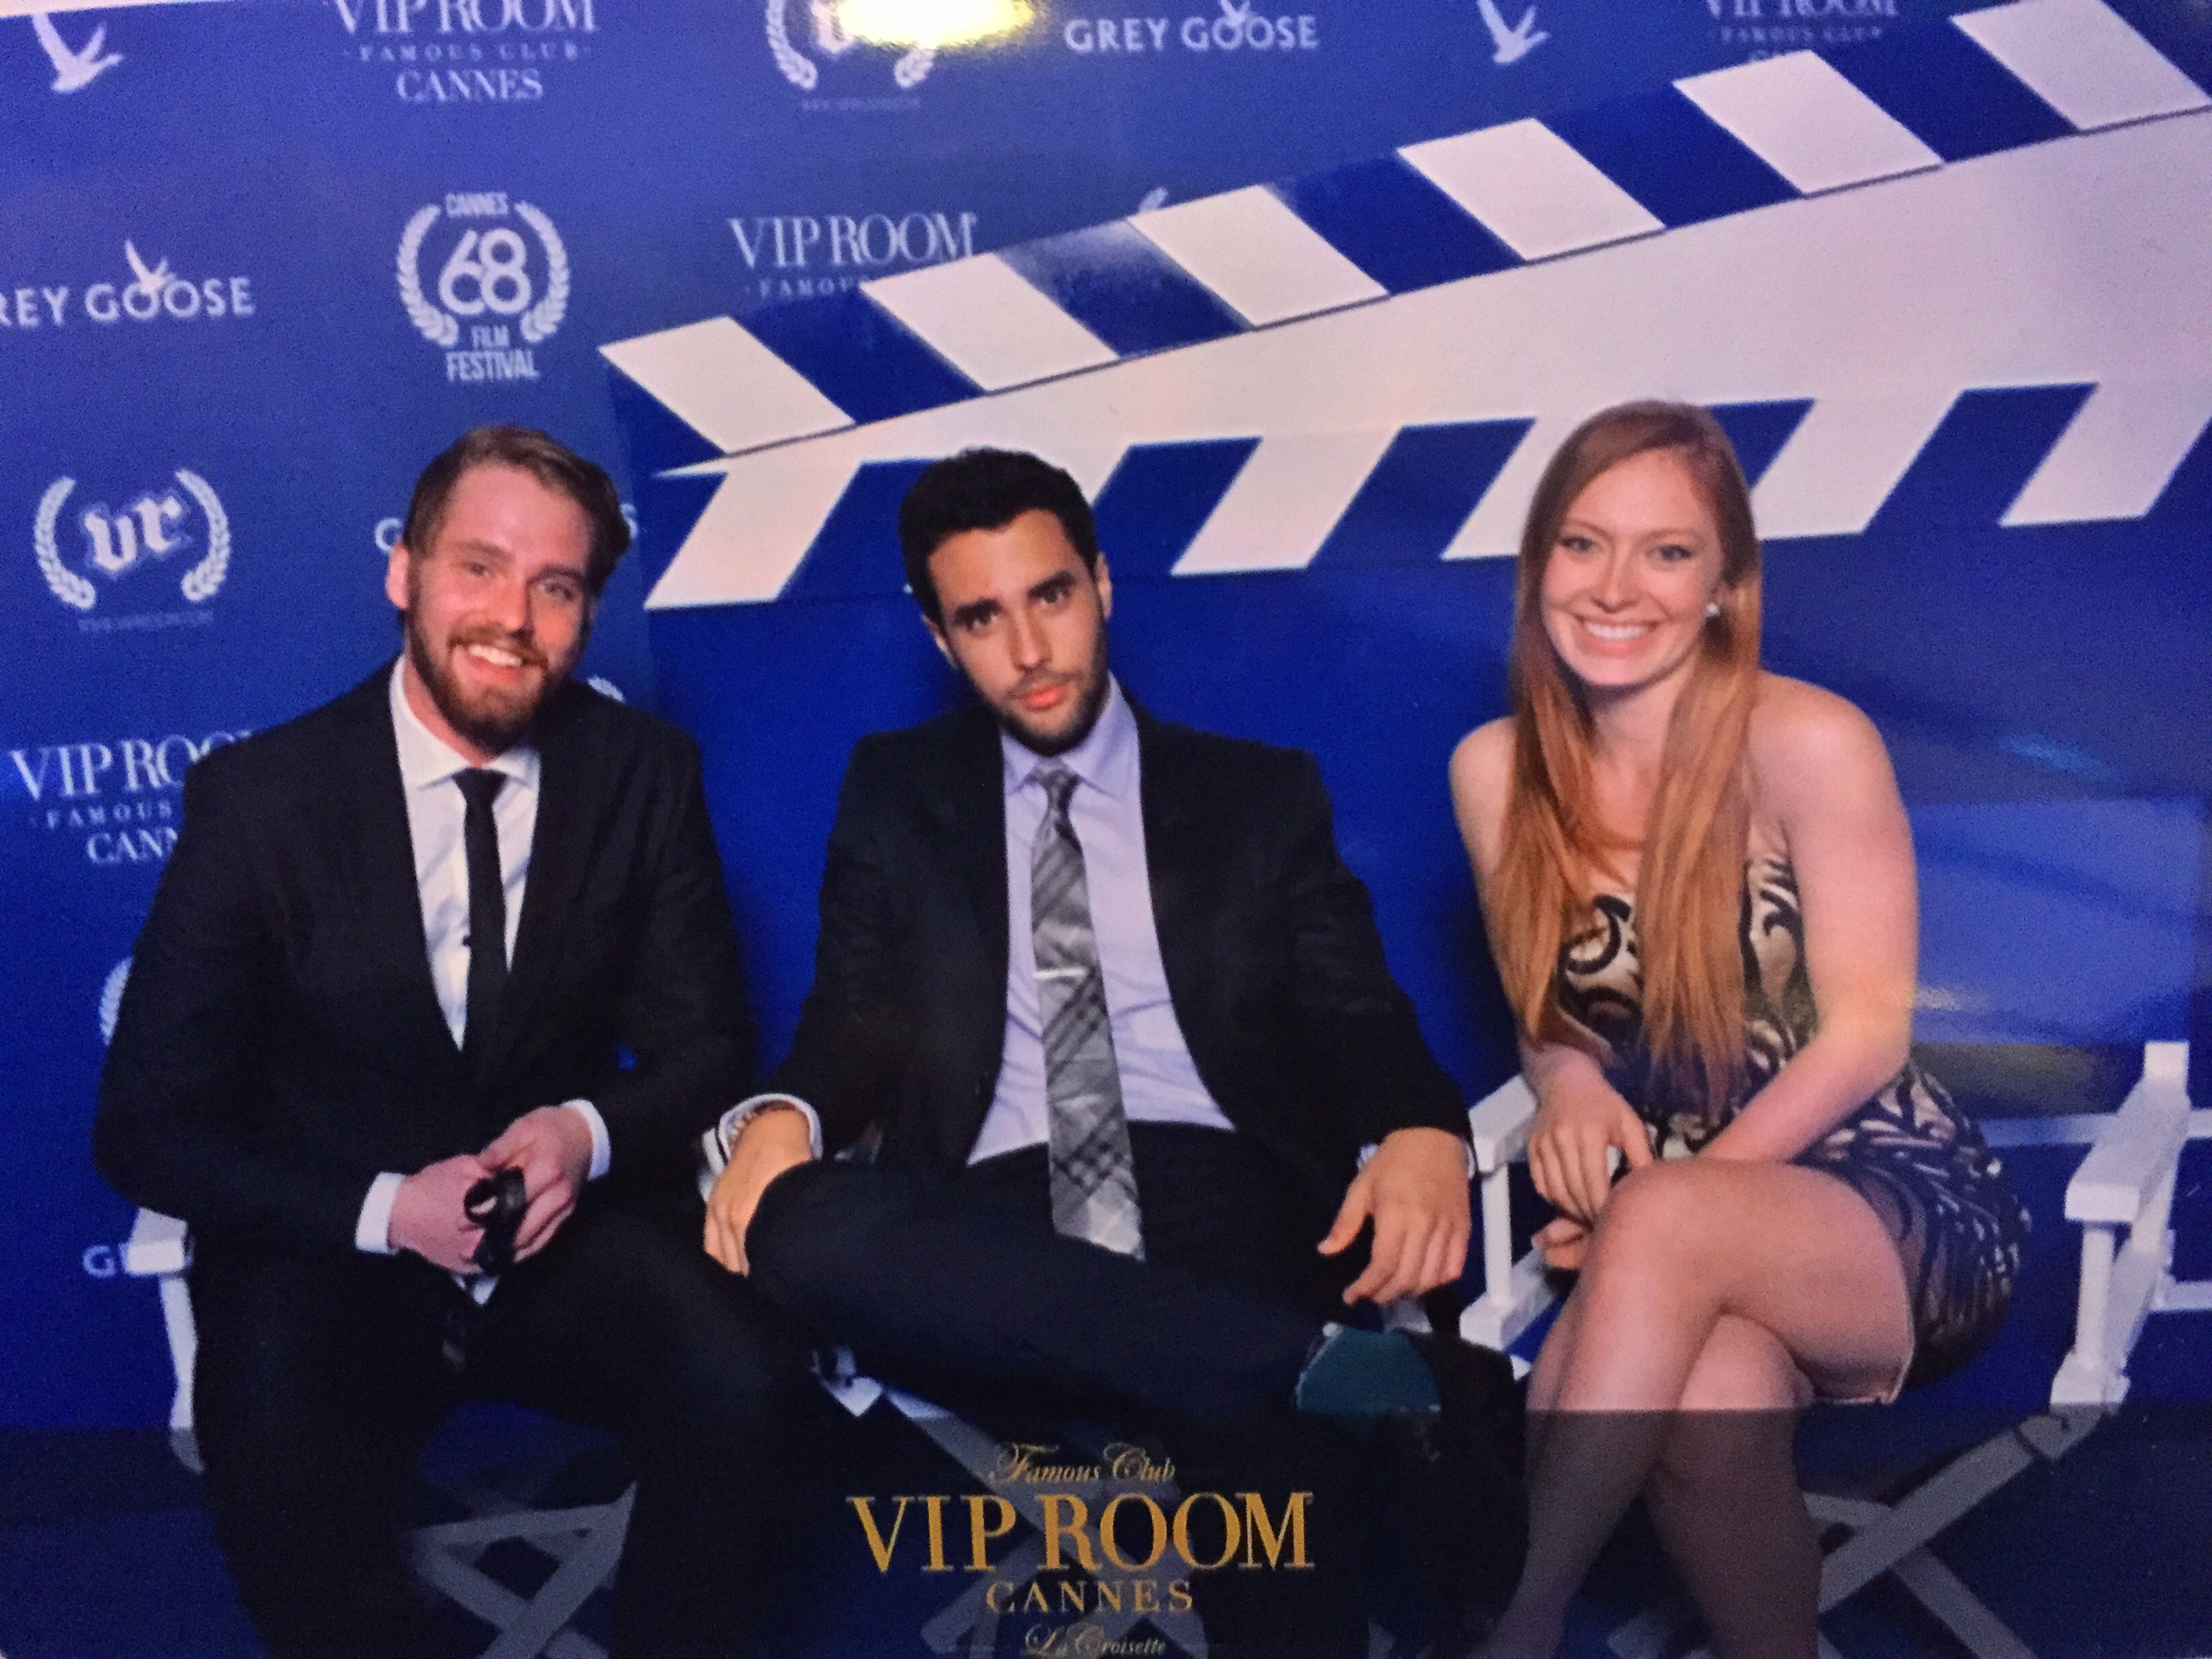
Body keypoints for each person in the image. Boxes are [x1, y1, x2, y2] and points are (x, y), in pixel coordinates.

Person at [701, 447, 1525, 1653]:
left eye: (1052, 597)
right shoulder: (896, 791)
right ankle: (1354, 1381)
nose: (1029, 649)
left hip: (1218, 1189)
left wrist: (1419, 1129)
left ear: (1101, 584)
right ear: (940, 639)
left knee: (1265, 1445)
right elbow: (851, 1022)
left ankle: (1289, 1375)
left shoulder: (1255, 794)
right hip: (985, 1231)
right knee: (798, 1220)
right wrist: (790, 1114)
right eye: (982, 618)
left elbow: (1359, 1016)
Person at [94, 425, 815, 1659]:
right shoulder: (259, 801)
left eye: (557, 586)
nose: (513, 617)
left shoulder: (645, 772)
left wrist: (584, 1136)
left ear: (588, 611)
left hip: (558, 1240)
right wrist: (385, 1210)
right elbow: (145, 1127)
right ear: (405, 572)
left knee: (745, 1388)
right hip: (328, 1248)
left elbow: (709, 1048)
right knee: (274, 1459)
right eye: (479, 567)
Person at [1446, 401, 2030, 1658]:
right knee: (1705, 1400)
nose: (1615, 587)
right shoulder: (1495, 770)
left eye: (1667, 551)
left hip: (1888, 1203)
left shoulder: (1811, 740)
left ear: (1727, 584)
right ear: (1538, 563)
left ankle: (1520, 1618)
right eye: (1583, 543)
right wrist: (1567, 1090)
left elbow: (1867, 1035)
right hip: (1669, 1217)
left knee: (1656, 1226)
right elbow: (1552, 1022)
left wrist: (1660, 1211)